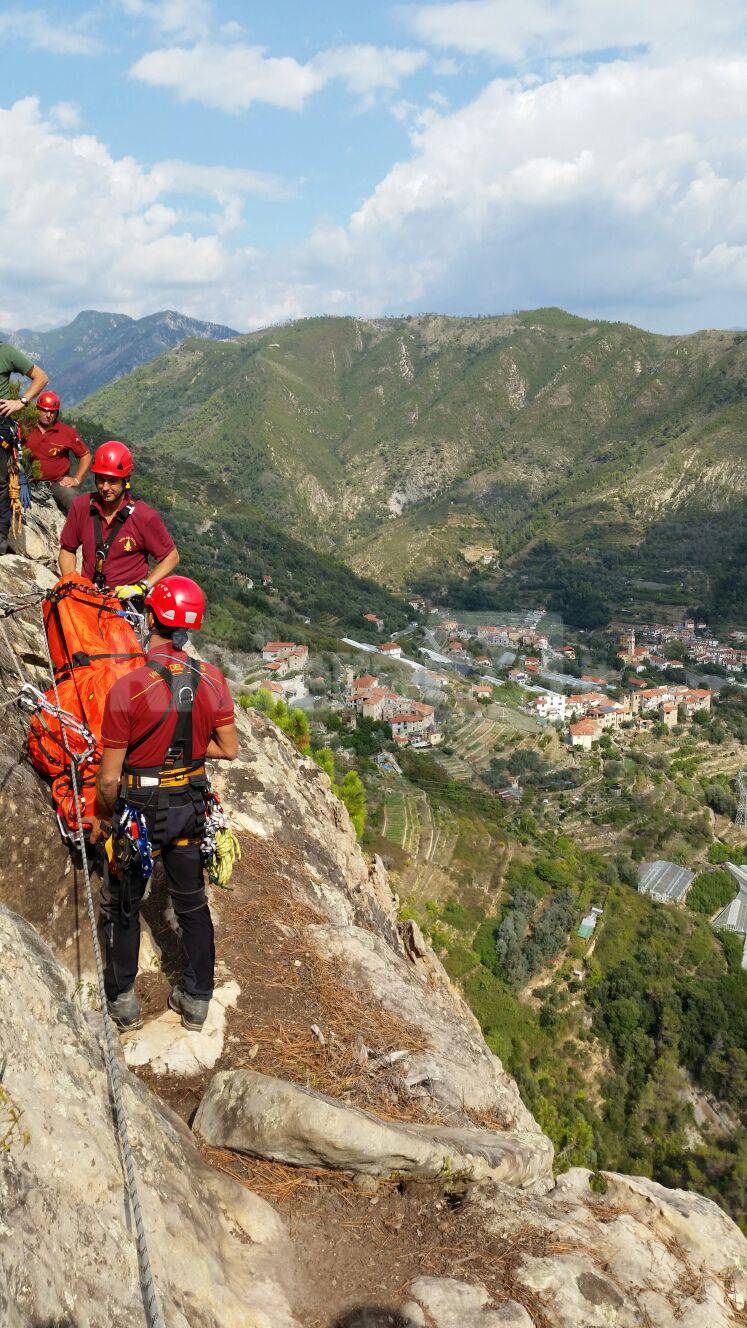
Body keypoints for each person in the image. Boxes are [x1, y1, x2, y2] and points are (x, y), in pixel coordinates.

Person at [96, 575, 239, 1032]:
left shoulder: (127, 689)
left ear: (152, 620)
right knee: (192, 903)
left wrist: (101, 817)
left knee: (124, 903)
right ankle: (197, 1000)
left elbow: (110, 778)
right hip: (189, 807)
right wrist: (191, 752)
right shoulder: (213, 679)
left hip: (140, 808)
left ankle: (123, 1001)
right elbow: (229, 748)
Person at [58, 440, 179, 602]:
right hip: (89, 598)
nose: (105, 487)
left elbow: (171, 557)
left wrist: (142, 587)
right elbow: (67, 549)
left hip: (126, 603)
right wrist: (71, 584)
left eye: (112, 480)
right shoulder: (82, 506)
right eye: (100, 479)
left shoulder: (143, 516)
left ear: (126, 479)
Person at [0, 341, 48, 550]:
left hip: (0, 424)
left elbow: (41, 377)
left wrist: (22, 401)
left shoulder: (6, 352)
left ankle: (0, 539)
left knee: (2, 484)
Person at [25, 390, 91, 513]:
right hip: (27, 480)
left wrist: (76, 479)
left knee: (76, 504)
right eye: (44, 410)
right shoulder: (26, 427)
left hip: (56, 483)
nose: (48, 415)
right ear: (37, 409)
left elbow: (85, 455)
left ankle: (84, 530)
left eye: (52, 412)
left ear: (57, 413)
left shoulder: (66, 432)